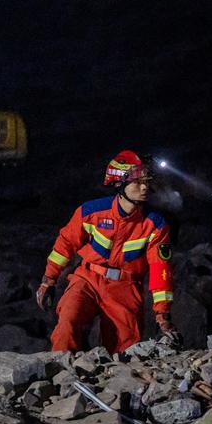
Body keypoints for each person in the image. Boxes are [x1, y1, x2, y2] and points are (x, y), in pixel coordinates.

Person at [36, 150, 181, 353]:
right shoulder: (91, 212)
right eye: (137, 182)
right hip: (87, 278)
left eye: (147, 181)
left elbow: (160, 270)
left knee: (125, 349)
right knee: (67, 324)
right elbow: (65, 244)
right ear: (118, 183)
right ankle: (60, 377)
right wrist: (48, 280)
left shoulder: (155, 224)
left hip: (126, 286)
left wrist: (162, 316)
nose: (144, 187)